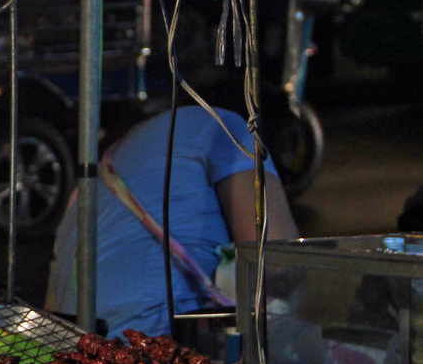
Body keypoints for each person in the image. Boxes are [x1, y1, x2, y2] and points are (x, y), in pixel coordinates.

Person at [46, 100, 299, 339]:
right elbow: (278, 262)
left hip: (71, 355)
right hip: (151, 346)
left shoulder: (117, 155)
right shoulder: (226, 128)